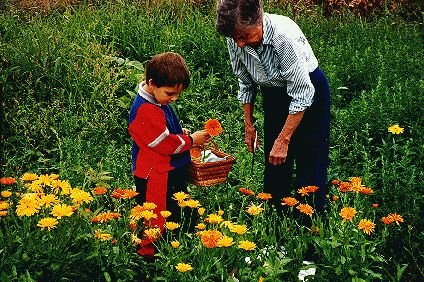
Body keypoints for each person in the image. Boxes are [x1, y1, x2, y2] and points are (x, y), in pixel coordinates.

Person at [216, 0, 330, 215]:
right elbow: (245, 81)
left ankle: (309, 227)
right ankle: (277, 224)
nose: (239, 44)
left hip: (308, 91)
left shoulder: (283, 37)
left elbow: (302, 93)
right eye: (235, 38)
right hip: (274, 93)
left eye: (244, 37)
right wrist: (248, 124)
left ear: (258, 18)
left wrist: (284, 138)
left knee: (309, 158)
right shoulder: (236, 35)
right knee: (275, 160)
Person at [128, 52, 211, 257]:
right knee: (154, 212)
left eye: (178, 95)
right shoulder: (146, 109)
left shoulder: (158, 102)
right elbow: (163, 144)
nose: (174, 99)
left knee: (174, 206)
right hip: (156, 173)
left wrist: (178, 134)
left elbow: (163, 133)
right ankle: (148, 252)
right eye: (170, 93)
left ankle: (175, 241)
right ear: (152, 83)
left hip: (168, 170)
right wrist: (191, 140)